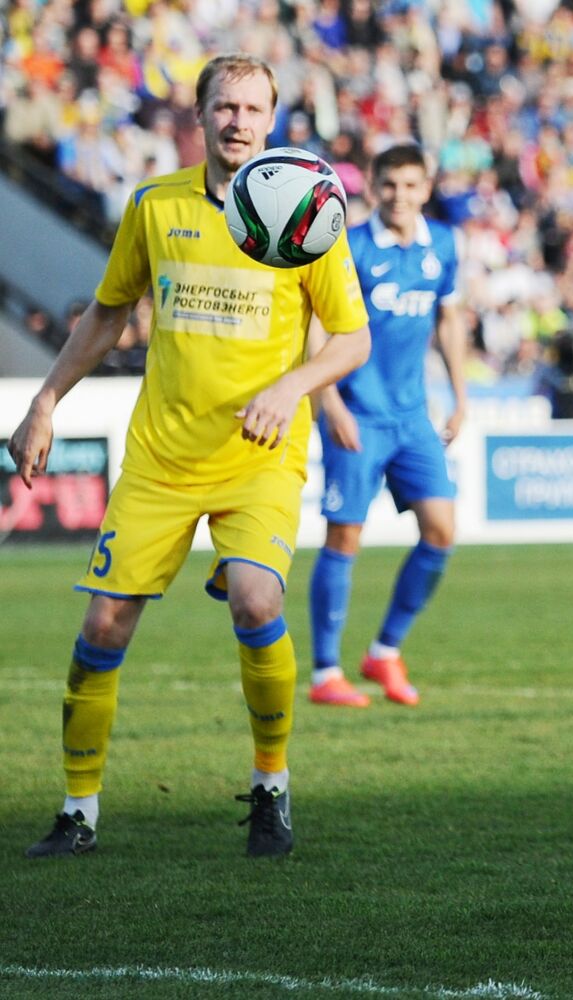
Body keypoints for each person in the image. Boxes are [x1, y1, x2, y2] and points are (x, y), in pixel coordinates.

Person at [8, 53, 371, 859]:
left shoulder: (310, 213)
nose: (237, 120)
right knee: (103, 620)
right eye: (224, 106)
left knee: (255, 601)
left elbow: (352, 338)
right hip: (161, 458)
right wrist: (44, 401)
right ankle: (78, 810)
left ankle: (271, 788)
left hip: (259, 455)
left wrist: (293, 388)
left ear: (273, 121)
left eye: (252, 108)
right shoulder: (155, 205)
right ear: (199, 116)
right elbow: (106, 316)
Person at [306, 143, 467, 708]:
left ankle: (384, 652)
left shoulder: (443, 245)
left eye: (411, 185)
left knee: (442, 530)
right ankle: (325, 672)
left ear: (426, 188)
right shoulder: (347, 246)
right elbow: (318, 331)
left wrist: (459, 396)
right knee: (345, 535)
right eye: (390, 184)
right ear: (372, 187)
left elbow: (448, 320)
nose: (400, 195)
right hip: (357, 412)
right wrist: (331, 404)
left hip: (412, 416)